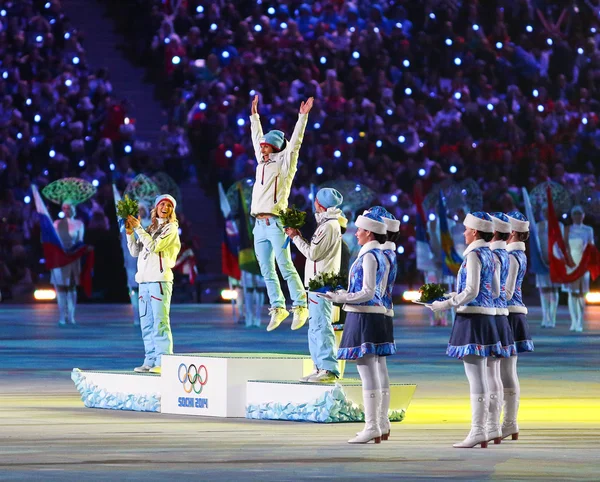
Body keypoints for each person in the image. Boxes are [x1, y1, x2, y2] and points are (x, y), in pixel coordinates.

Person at [320, 211, 396, 444]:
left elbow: (368, 292)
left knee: (368, 373)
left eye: (360, 230)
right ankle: (381, 423)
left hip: (364, 316)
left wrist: (342, 298)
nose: (357, 233)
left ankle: (372, 425)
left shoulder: (370, 256)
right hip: (373, 315)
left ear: (369, 232)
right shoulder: (380, 255)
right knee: (377, 371)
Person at [430, 212, 502, 449]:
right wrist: (455, 295)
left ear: (474, 231)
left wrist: (449, 303)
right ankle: (491, 427)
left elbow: (471, 290)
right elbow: (494, 291)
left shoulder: (473, 254)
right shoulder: (490, 254)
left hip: (472, 318)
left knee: (477, 379)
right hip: (488, 317)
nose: (463, 233)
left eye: (466, 229)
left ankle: (478, 431)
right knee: (488, 377)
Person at [249, 94, 312, 332]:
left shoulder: (285, 163)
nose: (261, 148)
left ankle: (300, 304)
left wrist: (302, 117)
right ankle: (278, 307)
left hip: (276, 223)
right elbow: (255, 136)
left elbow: (295, 142)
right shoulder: (261, 163)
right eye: (261, 145)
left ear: (274, 147)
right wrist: (254, 116)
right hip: (259, 225)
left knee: (285, 266)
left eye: (265, 145)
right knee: (266, 269)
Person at [286, 187, 344, 382]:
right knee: (315, 327)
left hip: (322, 284)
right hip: (317, 284)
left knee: (321, 326)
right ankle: (319, 367)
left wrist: (295, 237)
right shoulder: (327, 224)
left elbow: (313, 254)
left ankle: (329, 369)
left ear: (319, 204)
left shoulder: (328, 226)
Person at [127, 194, 181, 374]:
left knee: (160, 322)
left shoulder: (171, 229)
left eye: (168, 205)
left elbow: (154, 247)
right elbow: (135, 251)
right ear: (156, 208)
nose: (164, 208)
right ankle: (150, 359)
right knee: (146, 323)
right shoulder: (150, 228)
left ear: (172, 210)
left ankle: (163, 360)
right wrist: (130, 233)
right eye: (161, 204)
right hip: (144, 281)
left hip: (159, 280)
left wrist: (138, 228)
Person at [367, 206, 400, 441]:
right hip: (386, 311)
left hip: (375, 312)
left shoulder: (380, 254)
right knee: (381, 369)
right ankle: (382, 421)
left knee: (375, 369)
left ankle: (378, 422)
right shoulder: (389, 252)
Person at [503, 211, 533, 441]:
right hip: (513, 313)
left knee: (506, 372)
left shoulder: (512, 257)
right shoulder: (516, 254)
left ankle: (509, 422)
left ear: (512, 232)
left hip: (510, 314)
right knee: (508, 372)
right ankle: (509, 423)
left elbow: (508, 291)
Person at [488, 212, 517, 444]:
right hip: (508, 312)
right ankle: (506, 423)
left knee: (499, 372)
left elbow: (503, 293)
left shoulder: (502, 256)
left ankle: (501, 424)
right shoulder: (508, 254)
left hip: (504, 313)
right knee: (504, 372)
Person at [52, 200, 85, 326]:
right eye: (64, 208)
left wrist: (73, 248)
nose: (66, 210)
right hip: (59, 258)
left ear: (73, 209)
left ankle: (71, 316)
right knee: (60, 288)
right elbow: (53, 240)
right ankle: (61, 316)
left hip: (73, 257)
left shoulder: (78, 223)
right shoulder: (57, 223)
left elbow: (81, 240)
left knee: (71, 288)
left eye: (69, 207)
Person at [562, 205, 594, 332]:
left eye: (579, 214)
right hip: (570, 264)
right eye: (575, 214)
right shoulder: (567, 229)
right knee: (572, 293)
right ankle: (573, 321)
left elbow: (592, 247)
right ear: (572, 216)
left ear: (583, 215)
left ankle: (580, 321)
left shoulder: (588, 230)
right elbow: (563, 247)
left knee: (581, 294)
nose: (577, 216)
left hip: (583, 264)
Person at [536, 208, 563, 328]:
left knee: (553, 290)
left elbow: (560, 244)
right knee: (544, 289)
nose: (546, 213)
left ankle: (552, 318)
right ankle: (545, 317)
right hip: (542, 261)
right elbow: (535, 244)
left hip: (554, 261)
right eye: (544, 211)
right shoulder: (537, 226)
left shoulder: (559, 225)